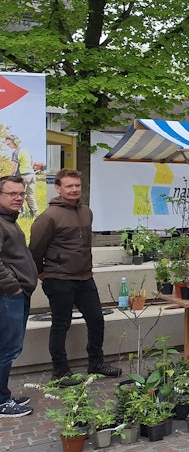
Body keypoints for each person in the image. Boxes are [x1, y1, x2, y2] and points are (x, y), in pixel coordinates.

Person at [29, 169, 121, 383]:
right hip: (59, 279)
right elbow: (35, 250)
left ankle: (96, 363)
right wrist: (44, 274)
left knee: (97, 319)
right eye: (69, 186)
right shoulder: (48, 217)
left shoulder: (87, 212)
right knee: (62, 324)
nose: (74, 190)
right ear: (58, 188)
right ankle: (60, 372)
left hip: (84, 278)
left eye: (77, 185)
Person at [0, 175, 37, 417]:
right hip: (8, 295)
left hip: (16, 294)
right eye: (11, 193)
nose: (18, 198)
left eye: (21, 194)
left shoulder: (9, 221)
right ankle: (2, 401)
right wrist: (13, 286)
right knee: (7, 348)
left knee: (9, 347)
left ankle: (4, 395)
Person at [5, 136, 37, 217]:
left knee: (18, 195)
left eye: (9, 144)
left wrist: (9, 178)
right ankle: (35, 213)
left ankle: (20, 214)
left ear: (15, 142)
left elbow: (14, 168)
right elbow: (32, 162)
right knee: (30, 195)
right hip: (32, 175)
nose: (9, 146)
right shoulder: (26, 151)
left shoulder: (16, 152)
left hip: (24, 176)